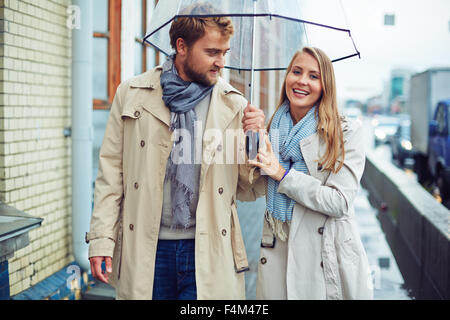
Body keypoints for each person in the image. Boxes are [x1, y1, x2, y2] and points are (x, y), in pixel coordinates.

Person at [86, 3, 265, 300]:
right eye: (211, 52)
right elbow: (111, 176)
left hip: (207, 253)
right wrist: (101, 241)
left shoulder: (234, 106)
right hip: (147, 247)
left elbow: (248, 188)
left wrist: (255, 140)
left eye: (224, 53)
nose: (220, 62)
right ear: (181, 46)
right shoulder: (132, 94)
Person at [250, 46, 373, 300]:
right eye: (296, 71)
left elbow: (339, 201)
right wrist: (250, 139)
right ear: (287, 77)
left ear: (325, 85)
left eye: (313, 76)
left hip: (324, 255)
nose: (302, 81)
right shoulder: (271, 128)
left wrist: (283, 175)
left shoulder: (345, 133)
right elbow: (248, 190)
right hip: (276, 245)